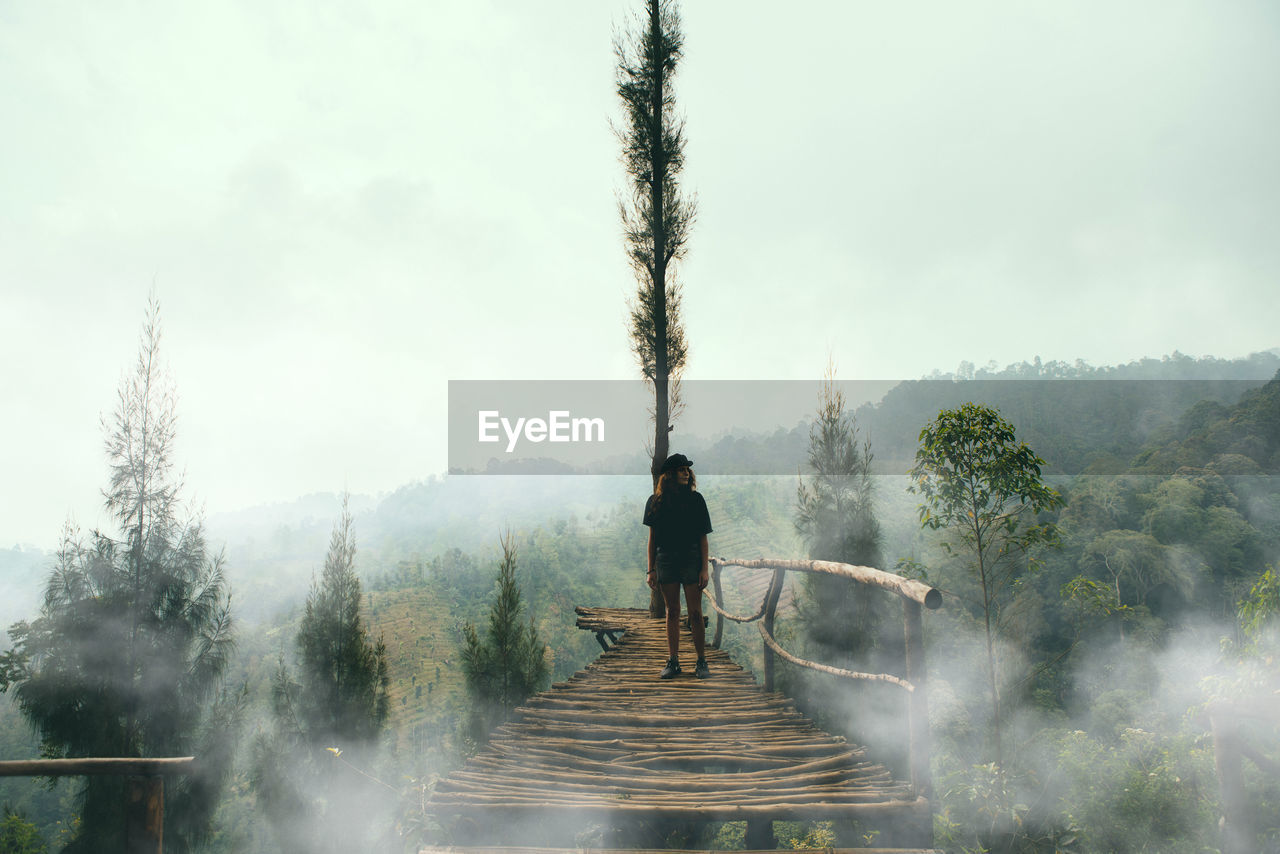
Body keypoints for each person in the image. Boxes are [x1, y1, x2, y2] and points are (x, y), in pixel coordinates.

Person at [643, 453, 713, 679]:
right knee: (671, 611)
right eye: (681, 469)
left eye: (687, 469)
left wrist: (704, 568)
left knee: (695, 612)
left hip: (691, 559)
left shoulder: (696, 500)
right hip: (666, 560)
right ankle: (673, 661)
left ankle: (701, 661)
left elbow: (703, 538)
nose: (686, 472)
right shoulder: (655, 502)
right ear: (670, 475)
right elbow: (652, 539)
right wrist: (651, 569)